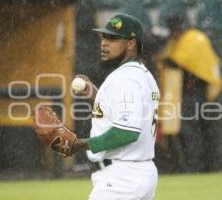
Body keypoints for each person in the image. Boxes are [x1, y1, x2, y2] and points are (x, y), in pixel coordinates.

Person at [73, 13, 160, 200]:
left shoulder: (125, 78)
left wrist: (78, 144)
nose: (104, 43)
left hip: (121, 178)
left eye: (112, 38)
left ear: (131, 43)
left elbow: (126, 132)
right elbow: (123, 114)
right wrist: (95, 95)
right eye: (104, 37)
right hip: (138, 172)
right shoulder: (144, 75)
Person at [156, 13, 222, 172]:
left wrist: (164, 60)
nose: (174, 34)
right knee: (194, 132)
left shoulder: (194, 38)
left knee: (193, 132)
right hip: (189, 95)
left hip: (196, 94)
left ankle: (198, 167)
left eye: (175, 30)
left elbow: (178, 61)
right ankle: (197, 167)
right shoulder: (180, 41)